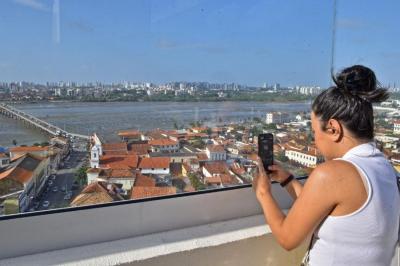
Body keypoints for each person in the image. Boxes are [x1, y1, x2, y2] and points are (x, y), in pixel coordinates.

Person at [253, 65, 400, 265]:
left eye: (315, 131)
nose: (315, 141)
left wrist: (262, 193)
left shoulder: (333, 173)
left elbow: (287, 238)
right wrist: (287, 179)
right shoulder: (384, 167)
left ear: (333, 129)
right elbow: (328, 205)